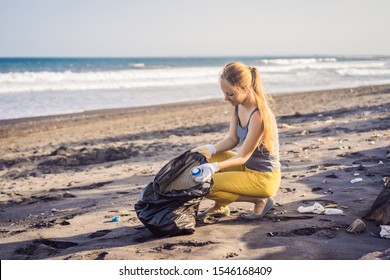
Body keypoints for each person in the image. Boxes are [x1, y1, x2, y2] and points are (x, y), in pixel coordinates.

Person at [191, 61, 281, 220]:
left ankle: (259, 201)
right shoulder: (237, 106)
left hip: (264, 178)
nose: (226, 98)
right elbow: (232, 139)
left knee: (205, 185)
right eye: (224, 93)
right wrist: (210, 149)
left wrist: (214, 168)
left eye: (230, 94)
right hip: (247, 168)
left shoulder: (258, 116)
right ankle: (220, 206)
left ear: (245, 89)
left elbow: (243, 156)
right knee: (204, 159)